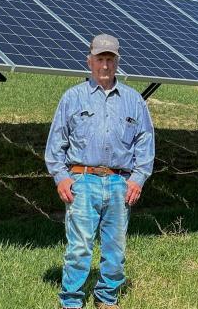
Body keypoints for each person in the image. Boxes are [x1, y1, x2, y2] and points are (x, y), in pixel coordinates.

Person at [45, 34, 155, 309]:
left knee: (115, 251)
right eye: (99, 59)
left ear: (117, 62)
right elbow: (56, 142)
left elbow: (145, 142)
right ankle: (71, 302)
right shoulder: (72, 97)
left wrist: (137, 179)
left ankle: (107, 298)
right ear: (89, 61)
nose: (104, 65)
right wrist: (61, 177)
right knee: (80, 248)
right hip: (82, 181)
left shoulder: (134, 101)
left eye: (110, 59)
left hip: (120, 183)